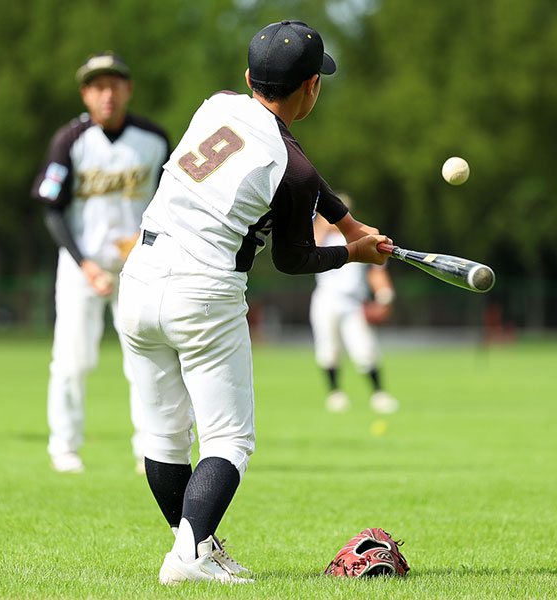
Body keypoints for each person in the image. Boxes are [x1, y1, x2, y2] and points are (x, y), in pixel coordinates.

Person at [117, 20, 391, 584]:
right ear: (311, 87)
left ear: (248, 77)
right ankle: (190, 557)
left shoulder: (215, 105)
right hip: (205, 290)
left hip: (139, 277)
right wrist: (352, 254)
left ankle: (196, 545)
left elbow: (306, 179)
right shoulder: (291, 170)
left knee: (164, 436)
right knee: (229, 439)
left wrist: (346, 222)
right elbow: (293, 258)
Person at [31, 52, 170, 474]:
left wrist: (152, 242)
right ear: (85, 94)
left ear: (128, 89)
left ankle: (151, 450)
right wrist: (84, 263)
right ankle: (64, 446)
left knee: (145, 359)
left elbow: (173, 205)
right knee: (72, 359)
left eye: (114, 84)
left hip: (139, 267)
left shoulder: (154, 139)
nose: (106, 94)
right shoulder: (70, 140)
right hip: (81, 264)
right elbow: (51, 208)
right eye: (97, 86)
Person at [311, 194, 399, 414]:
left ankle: (379, 393)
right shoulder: (323, 236)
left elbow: (375, 271)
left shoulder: (357, 238)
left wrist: (385, 296)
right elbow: (311, 244)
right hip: (326, 299)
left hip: (353, 303)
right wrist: (322, 222)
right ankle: (335, 393)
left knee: (365, 349)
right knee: (328, 349)